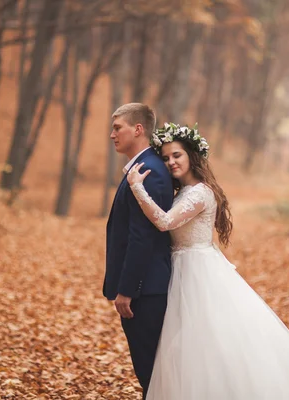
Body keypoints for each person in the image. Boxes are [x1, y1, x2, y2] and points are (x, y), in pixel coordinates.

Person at [126, 122, 289, 399]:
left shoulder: (200, 193)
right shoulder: (182, 192)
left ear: (192, 156)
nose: (171, 162)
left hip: (198, 272)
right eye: (167, 157)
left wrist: (137, 187)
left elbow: (165, 222)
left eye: (177, 155)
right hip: (182, 268)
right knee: (186, 346)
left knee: (210, 341)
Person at [103, 103, 174, 399]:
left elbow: (142, 237)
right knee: (151, 373)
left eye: (117, 127)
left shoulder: (150, 172)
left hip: (146, 293)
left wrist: (128, 289)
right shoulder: (142, 167)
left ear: (138, 129)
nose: (112, 134)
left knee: (152, 373)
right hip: (145, 290)